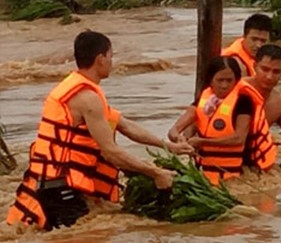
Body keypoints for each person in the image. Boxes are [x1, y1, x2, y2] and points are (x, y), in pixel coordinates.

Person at [5, 31, 194, 231]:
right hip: (60, 188)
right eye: (111, 56)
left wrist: (168, 146)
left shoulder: (76, 86)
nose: (112, 62)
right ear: (100, 59)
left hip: (50, 183)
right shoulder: (87, 98)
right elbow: (110, 151)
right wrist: (155, 173)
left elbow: (125, 125)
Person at [167, 56, 276, 185]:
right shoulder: (203, 100)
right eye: (220, 80)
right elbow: (174, 130)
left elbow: (238, 139)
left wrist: (203, 142)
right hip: (205, 171)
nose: (224, 85)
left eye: (229, 80)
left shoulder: (244, 102)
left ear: (236, 81)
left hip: (236, 172)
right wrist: (179, 138)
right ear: (211, 81)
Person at [244, 44, 281, 157]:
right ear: (254, 66)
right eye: (265, 69)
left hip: (251, 156)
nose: (269, 77)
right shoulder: (235, 89)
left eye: (276, 72)